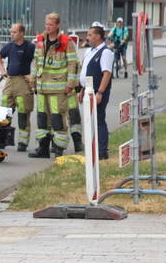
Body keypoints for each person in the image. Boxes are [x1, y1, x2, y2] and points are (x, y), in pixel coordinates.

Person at [29, 13, 79, 158]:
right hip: (42, 87)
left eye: (50, 24)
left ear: (57, 25)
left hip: (58, 88)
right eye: (46, 24)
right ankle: (43, 148)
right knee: (42, 118)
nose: (48, 27)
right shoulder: (40, 41)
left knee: (57, 118)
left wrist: (70, 84)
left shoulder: (66, 42)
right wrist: (33, 78)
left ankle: (58, 148)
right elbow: (36, 61)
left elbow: (72, 64)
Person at [0, 22, 35, 152]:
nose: (11, 34)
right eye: (11, 32)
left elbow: (39, 60)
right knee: (4, 112)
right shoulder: (9, 46)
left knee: (23, 112)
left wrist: (33, 75)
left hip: (23, 81)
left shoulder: (30, 47)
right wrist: (2, 70)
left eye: (14, 32)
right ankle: (2, 139)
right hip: (10, 81)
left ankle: (23, 142)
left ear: (22, 33)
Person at [78, 25, 114, 159]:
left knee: (99, 120)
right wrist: (81, 89)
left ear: (98, 36)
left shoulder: (105, 52)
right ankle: (93, 148)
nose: (87, 38)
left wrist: (100, 92)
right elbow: (86, 72)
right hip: (88, 90)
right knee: (90, 121)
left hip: (98, 92)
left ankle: (102, 152)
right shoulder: (90, 51)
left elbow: (106, 73)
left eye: (90, 35)